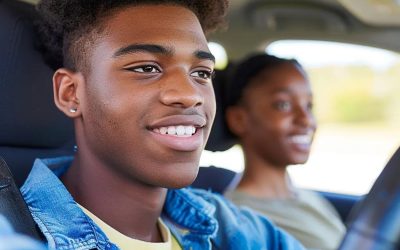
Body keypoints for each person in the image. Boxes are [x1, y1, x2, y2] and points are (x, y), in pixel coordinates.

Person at [12, 1, 306, 250]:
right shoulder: (16, 233)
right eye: (146, 68)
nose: (190, 94)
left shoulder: (225, 225)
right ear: (71, 93)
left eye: (202, 73)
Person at [224, 53, 346, 250]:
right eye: (283, 105)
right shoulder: (239, 220)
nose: (306, 120)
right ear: (238, 119)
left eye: (309, 105)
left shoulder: (309, 198)